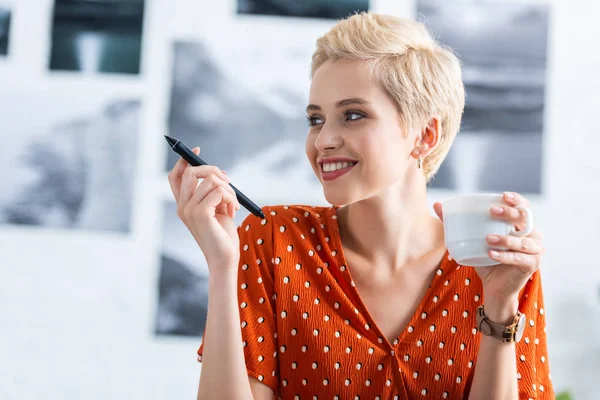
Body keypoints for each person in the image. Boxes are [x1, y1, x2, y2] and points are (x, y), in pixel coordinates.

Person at [168, 12, 553, 400]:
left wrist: (500, 309)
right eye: (316, 119)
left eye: (353, 115)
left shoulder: (495, 263)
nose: (323, 140)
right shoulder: (272, 239)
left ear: (425, 135)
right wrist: (221, 267)